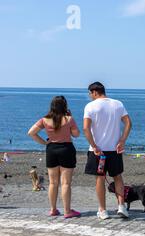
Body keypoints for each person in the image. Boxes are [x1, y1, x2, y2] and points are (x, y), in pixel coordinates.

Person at [83, 82, 132, 220]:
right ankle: (121, 206)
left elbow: (86, 128)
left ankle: (103, 210)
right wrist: (122, 140)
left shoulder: (90, 106)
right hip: (114, 149)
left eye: (89, 93)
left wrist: (93, 145)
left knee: (100, 178)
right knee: (117, 177)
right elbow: (128, 122)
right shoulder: (117, 104)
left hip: (99, 151)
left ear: (94, 92)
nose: (89, 96)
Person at [28, 96, 81, 218]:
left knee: (53, 182)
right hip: (66, 149)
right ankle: (67, 211)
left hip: (51, 149)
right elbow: (76, 134)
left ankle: (53, 209)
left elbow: (31, 132)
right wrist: (69, 120)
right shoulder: (68, 119)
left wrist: (44, 142)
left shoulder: (45, 120)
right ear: (64, 106)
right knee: (66, 183)